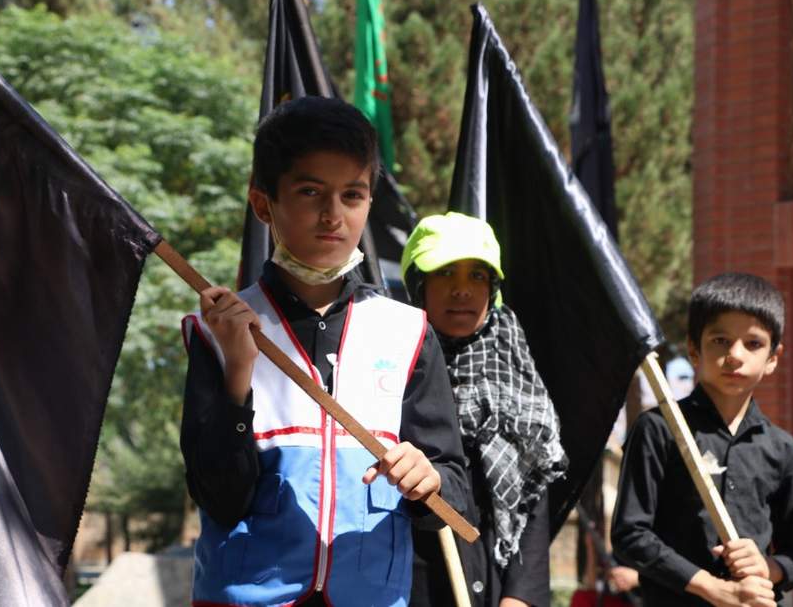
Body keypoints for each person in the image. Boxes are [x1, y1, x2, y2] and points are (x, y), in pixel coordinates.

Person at [179, 97, 469, 607]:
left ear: (369, 202)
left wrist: (430, 478)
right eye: (310, 192)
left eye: (352, 194)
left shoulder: (407, 331)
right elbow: (220, 498)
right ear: (263, 204)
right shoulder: (215, 332)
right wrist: (239, 371)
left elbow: (456, 492)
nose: (333, 215)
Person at [612, 272, 793, 607]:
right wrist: (711, 587)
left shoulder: (784, 450)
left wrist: (769, 567)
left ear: (773, 358)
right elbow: (630, 534)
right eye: (720, 340)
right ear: (694, 350)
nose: (735, 355)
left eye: (753, 343)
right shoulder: (659, 428)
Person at [400, 212, 567, 607]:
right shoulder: (389, 368)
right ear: (419, 285)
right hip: (411, 585)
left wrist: (520, 596)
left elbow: (532, 491)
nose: (462, 290)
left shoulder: (517, 372)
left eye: (477, 276)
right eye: (445, 273)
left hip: (496, 584)